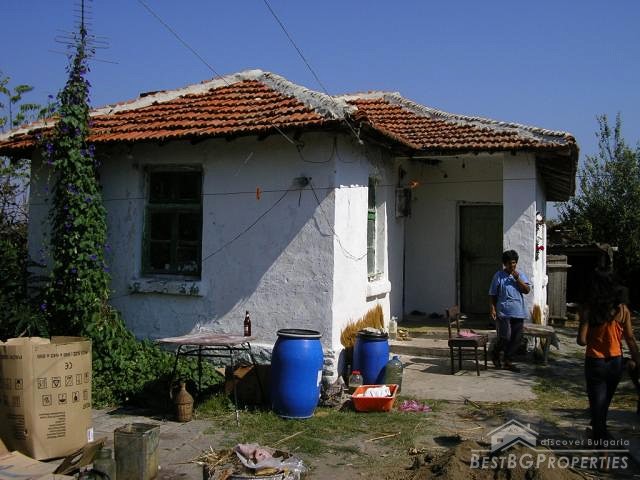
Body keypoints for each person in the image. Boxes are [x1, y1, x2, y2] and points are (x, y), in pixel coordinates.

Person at [577, 270, 639, 444]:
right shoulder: (623, 310)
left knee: (597, 405)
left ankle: (601, 444)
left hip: (595, 362)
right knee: (603, 404)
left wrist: (585, 324)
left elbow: (581, 341)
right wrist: (638, 360)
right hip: (615, 362)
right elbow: (630, 339)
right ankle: (601, 433)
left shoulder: (590, 309)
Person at [489, 250, 531, 372]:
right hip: (503, 312)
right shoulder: (498, 276)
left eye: (514, 263)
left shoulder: (520, 275)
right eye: (509, 263)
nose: (512, 265)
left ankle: (508, 361)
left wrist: (518, 279)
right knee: (505, 337)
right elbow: (492, 294)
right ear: (505, 264)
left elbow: (527, 290)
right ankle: (495, 353)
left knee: (517, 338)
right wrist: (492, 308)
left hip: (518, 311)